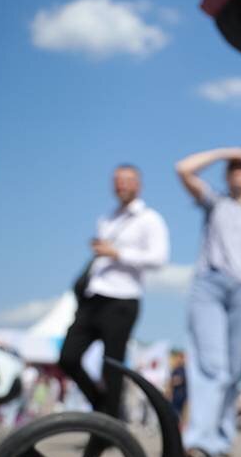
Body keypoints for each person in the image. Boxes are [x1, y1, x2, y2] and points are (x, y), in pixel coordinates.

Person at [175, 147, 241, 457]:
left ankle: (221, 437)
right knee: (212, 364)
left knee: (232, 370)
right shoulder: (215, 203)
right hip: (210, 286)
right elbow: (183, 168)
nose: (238, 172)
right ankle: (199, 440)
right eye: (232, 168)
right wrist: (227, 152)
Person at [59, 164, 169, 419]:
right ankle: (105, 408)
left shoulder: (149, 219)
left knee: (112, 365)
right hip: (94, 296)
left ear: (138, 184)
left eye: (127, 180)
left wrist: (117, 253)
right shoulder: (107, 218)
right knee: (68, 357)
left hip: (122, 299)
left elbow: (158, 258)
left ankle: (107, 427)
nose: (121, 185)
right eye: (117, 180)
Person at [168, 349, 187, 423]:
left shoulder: (185, 370)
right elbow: (172, 382)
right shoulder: (176, 370)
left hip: (183, 396)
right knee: (174, 412)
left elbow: (179, 380)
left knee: (180, 414)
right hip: (175, 396)